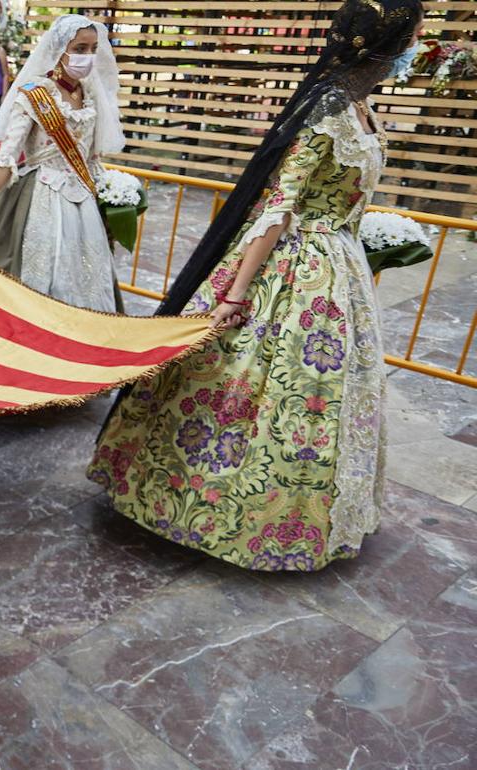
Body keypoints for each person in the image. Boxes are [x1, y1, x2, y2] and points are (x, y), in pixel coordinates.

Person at [88, 0, 426, 572]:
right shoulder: (327, 114)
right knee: (241, 386)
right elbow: (278, 206)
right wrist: (236, 293)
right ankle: (208, 509)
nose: (419, 48)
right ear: (390, 45)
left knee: (319, 399)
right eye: (417, 37)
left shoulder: (362, 110)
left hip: (335, 267)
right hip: (297, 267)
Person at [0, 15, 125, 312]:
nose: (87, 56)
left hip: (83, 201)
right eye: (80, 48)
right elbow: (7, 154)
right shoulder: (36, 94)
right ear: (60, 48)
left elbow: (92, 158)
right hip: (42, 196)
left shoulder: (89, 95)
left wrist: (115, 195)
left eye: (92, 49)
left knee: (88, 277)